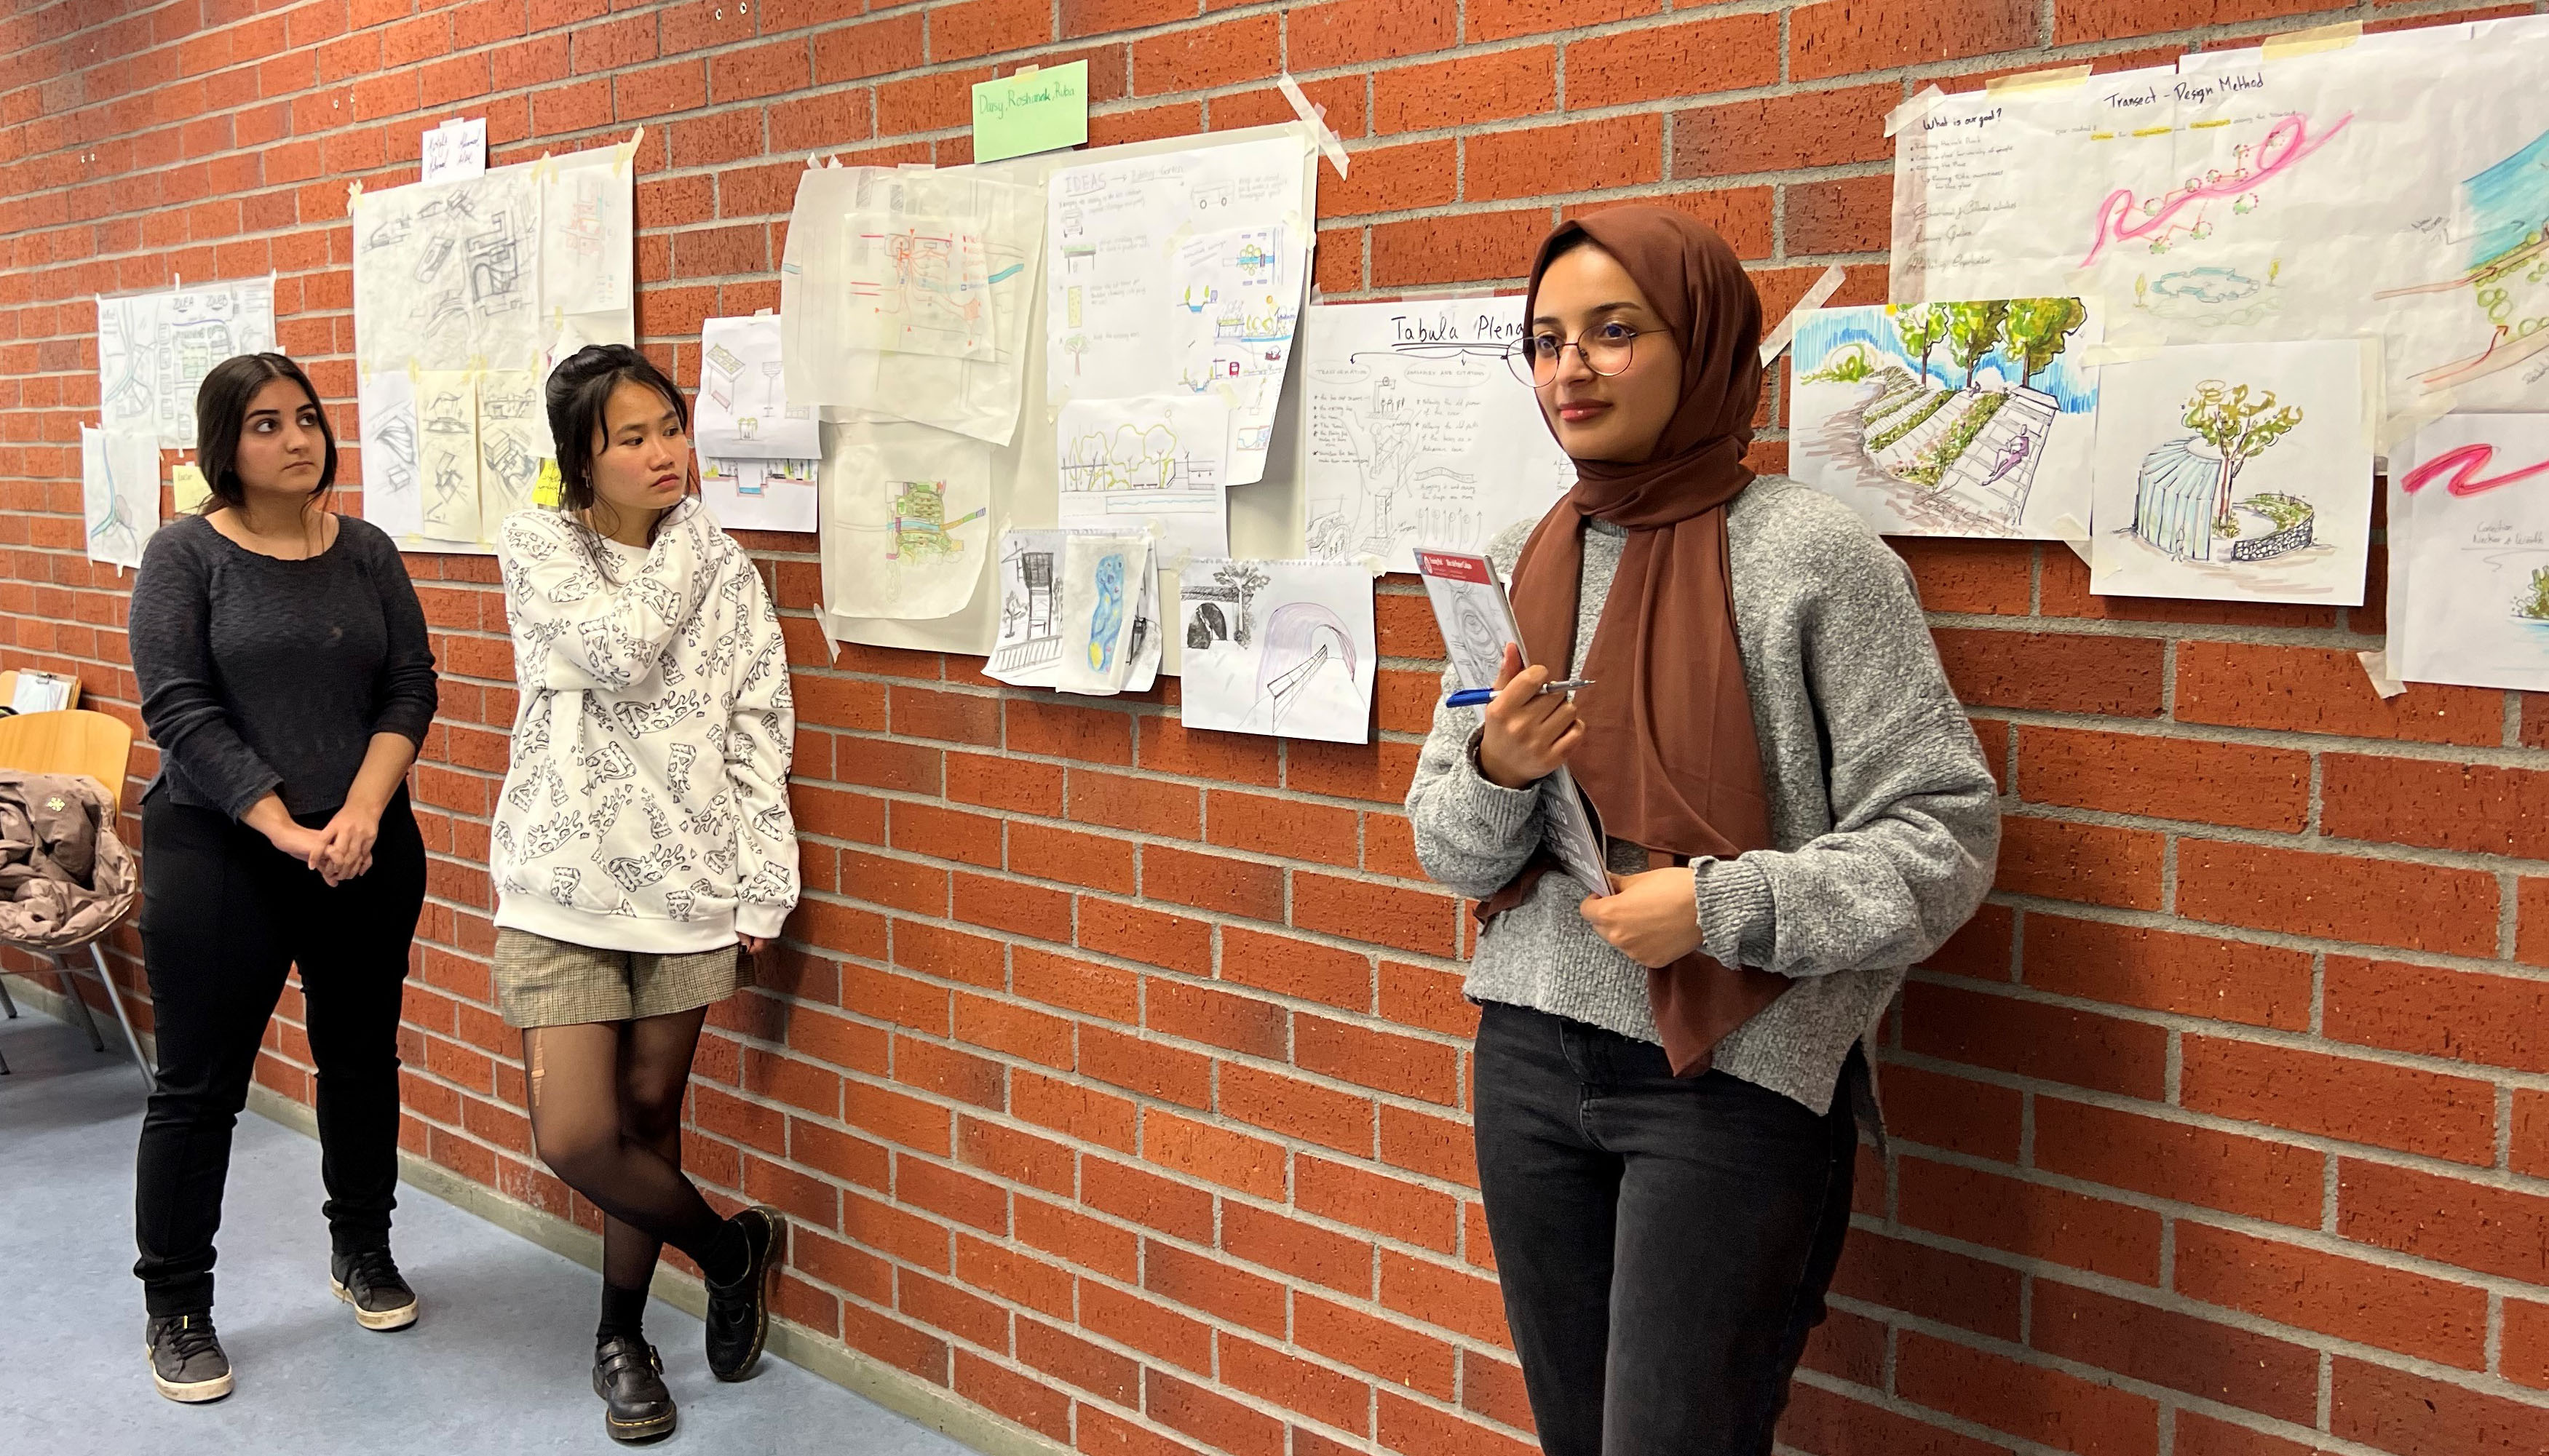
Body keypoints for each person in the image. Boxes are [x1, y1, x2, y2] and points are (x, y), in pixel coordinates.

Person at [1405, 209, 2000, 1455]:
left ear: (1706, 343)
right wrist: (1492, 769)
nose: (1568, 369)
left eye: (1614, 333)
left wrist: (1718, 905)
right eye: (1545, 339)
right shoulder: (1522, 556)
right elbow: (1451, 851)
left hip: (1727, 1078)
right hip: (1524, 1053)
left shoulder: (1811, 556)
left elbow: (1941, 835)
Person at [490, 343, 798, 1442]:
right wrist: (695, 540)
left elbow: (759, 724)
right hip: (558, 884)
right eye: (633, 438)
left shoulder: (732, 578)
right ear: (582, 458)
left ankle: (621, 1337)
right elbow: (619, 650)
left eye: (671, 426)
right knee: (576, 1135)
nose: (667, 452)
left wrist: (766, 883)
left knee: (647, 1119)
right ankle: (729, 1251)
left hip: (689, 884)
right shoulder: (537, 544)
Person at [128, 352, 440, 1402]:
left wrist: (357, 812)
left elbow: (409, 685)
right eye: (265, 425)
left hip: (363, 844)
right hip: (220, 848)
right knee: (200, 1085)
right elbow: (178, 708)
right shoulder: (184, 555)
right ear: (227, 444)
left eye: (306, 418)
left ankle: (363, 1246)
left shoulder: (366, 551)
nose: (296, 439)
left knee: (361, 1059)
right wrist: (282, 823)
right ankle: (176, 1300)